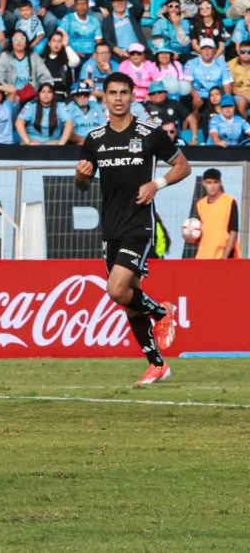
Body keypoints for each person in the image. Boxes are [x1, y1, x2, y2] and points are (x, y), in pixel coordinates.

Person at [75, 71, 189, 386]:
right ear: (105, 96)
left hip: (139, 225)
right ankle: (157, 365)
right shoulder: (95, 138)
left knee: (115, 289)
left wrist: (157, 183)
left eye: (124, 92)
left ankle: (162, 313)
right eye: (112, 93)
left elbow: (183, 166)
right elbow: (82, 185)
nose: (118, 98)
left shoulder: (150, 133)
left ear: (132, 95)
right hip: (110, 225)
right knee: (126, 297)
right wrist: (81, 176)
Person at [193, 168, 241, 259]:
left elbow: (233, 232)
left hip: (224, 255)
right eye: (209, 182)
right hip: (204, 255)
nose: (212, 186)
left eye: (215, 182)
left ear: (220, 183)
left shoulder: (229, 201)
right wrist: (191, 237)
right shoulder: (200, 204)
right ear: (203, 183)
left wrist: (225, 257)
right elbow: (200, 231)